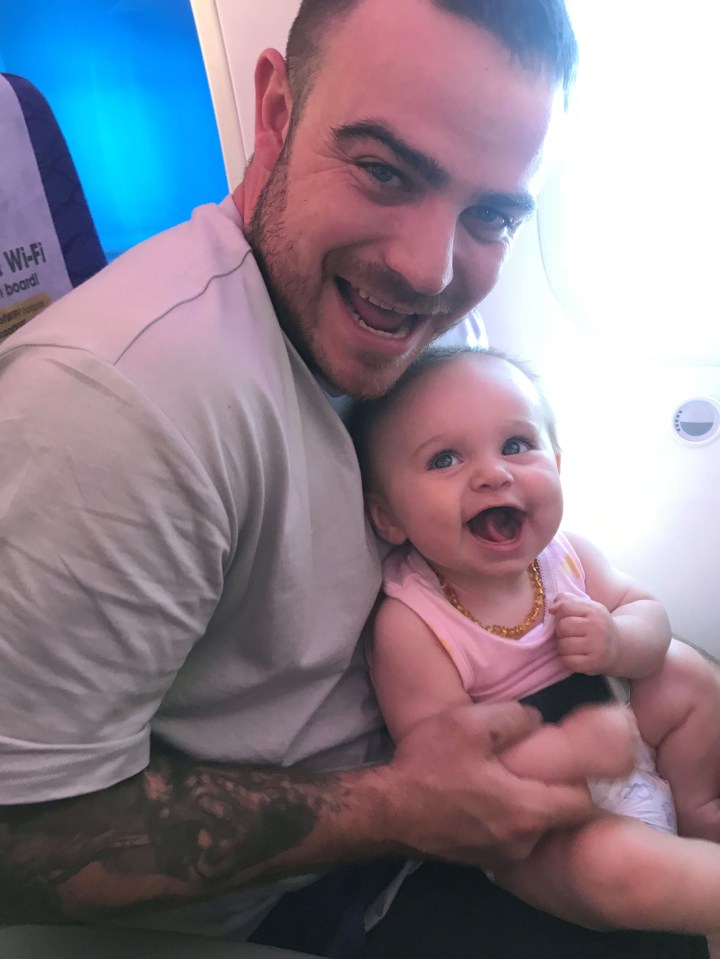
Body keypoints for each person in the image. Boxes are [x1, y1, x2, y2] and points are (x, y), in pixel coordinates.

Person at [0, 0, 712, 955]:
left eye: (490, 214)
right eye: (384, 170)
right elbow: (22, 832)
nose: (428, 270)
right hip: (276, 904)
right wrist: (397, 805)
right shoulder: (120, 406)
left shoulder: (423, 319)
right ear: (276, 111)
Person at [350, 343, 720, 935]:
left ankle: (699, 812)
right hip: (541, 822)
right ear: (388, 516)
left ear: (558, 464)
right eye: (445, 459)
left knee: (683, 670)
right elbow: (450, 776)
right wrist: (568, 755)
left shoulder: (564, 554)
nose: (494, 472)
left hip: (627, 741)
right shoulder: (412, 622)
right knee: (612, 866)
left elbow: (650, 613)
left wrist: (620, 642)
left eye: (517, 446)